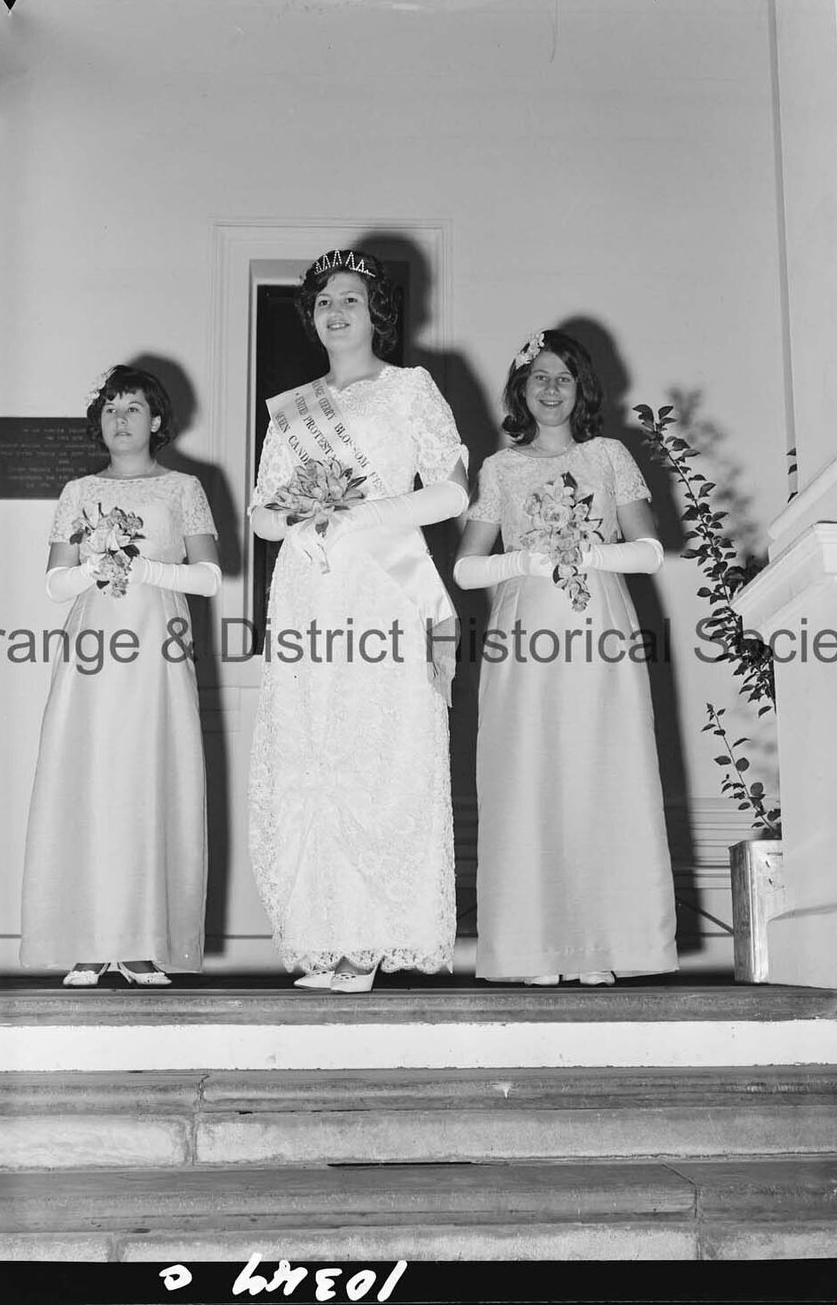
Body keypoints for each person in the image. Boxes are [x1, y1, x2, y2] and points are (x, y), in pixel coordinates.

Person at [247, 248, 468, 993]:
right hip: (308, 589)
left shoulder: (410, 389)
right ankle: (325, 937)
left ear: (375, 312)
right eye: (322, 302)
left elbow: (450, 492)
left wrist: (358, 514)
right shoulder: (291, 407)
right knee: (313, 750)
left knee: (380, 747)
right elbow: (260, 511)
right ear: (310, 318)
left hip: (382, 586)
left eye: (349, 299)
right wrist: (308, 518)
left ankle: (369, 941)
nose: (335, 311)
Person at [453, 329, 677, 985]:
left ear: (581, 389)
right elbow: (466, 568)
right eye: (539, 377)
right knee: (528, 776)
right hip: (525, 633)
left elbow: (650, 549)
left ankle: (604, 944)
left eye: (563, 378)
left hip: (598, 628)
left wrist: (585, 554)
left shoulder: (608, 456)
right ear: (521, 389)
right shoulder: (500, 468)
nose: (551, 389)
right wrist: (529, 559)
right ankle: (534, 948)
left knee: (601, 770)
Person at [20, 364, 220, 987]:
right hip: (93, 652)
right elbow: (55, 584)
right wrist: (98, 566)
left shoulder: (183, 488)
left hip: (157, 646)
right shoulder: (78, 492)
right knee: (91, 780)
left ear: (157, 421)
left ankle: (140, 941)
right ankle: (88, 938)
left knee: (147, 779)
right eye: (110, 408)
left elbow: (209, 576)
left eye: (132, 408)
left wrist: (143, 569)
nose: (119, 419)